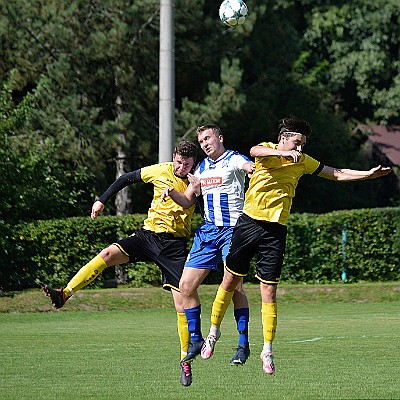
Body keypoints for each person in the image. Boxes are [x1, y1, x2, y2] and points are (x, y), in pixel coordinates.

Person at [203, 116, 392, 376]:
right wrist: (281, 153)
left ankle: (267, 350)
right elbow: (253, 151)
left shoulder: (302, 161)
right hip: (248, 224)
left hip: (275, 231)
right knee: (229, 281)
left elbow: (335, 173)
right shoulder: (266, 151)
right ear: (283, 138)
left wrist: (367, 175)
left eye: (302, 144)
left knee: (268, 292)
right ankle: (213, 332)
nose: (300, 149)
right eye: (296, 142)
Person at [41, 140, 199, 387]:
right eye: (178, 162)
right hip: (148, 237)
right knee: (106, 255)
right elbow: (125, 178)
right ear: (174, 157)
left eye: (186, 164)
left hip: (173, 246)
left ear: (193, 163)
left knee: (181, 306)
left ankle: (185, 362)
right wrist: (101, 200)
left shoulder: (195, 181)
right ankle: (64, 294)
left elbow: (188, 201)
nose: (180, 167)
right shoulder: (161, 170)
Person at [161, 124, 255, 371]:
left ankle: (243, 343)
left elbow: (249, 167)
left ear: (220, 138)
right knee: (185, 286)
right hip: (208, 233)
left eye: (207, 138)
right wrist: (171, 192)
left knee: (234, 286)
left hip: (234, 231)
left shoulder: (234, 159)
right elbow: (187, 200)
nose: (203, 143)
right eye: (201, 141)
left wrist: (255, 168)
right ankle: (196, 338)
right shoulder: (201, 168)